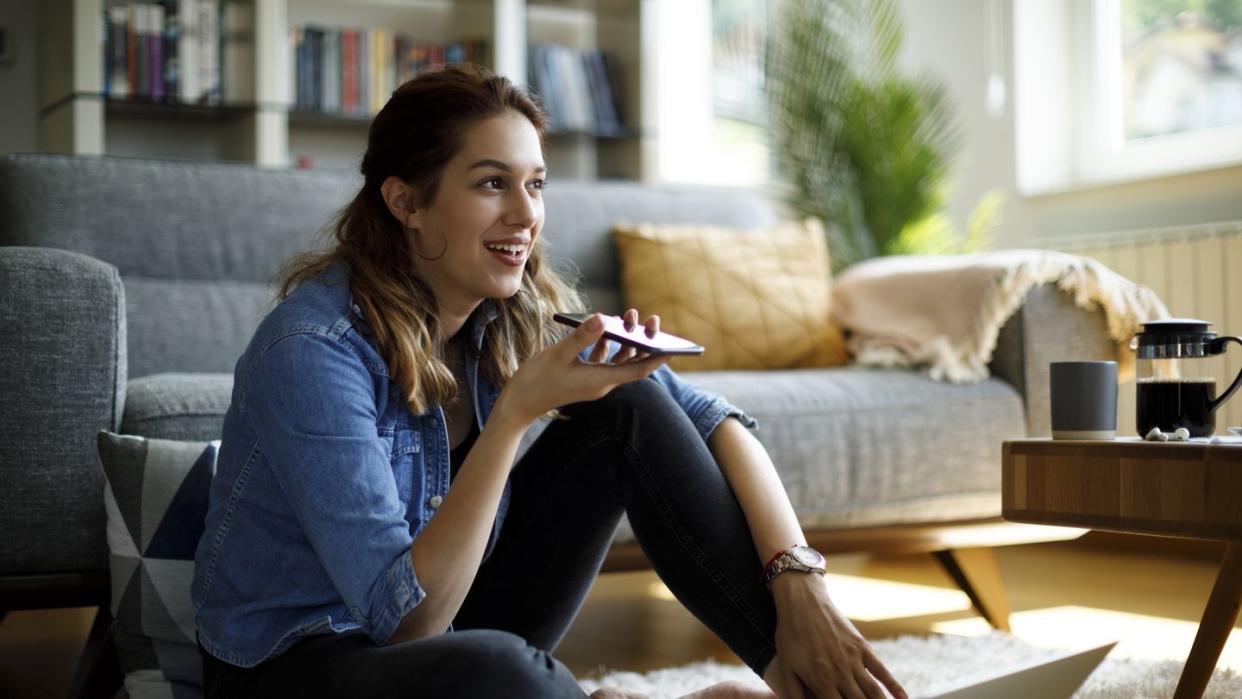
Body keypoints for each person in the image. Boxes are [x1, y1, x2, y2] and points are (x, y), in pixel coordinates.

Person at [190, 64, 907, 699]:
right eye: (492, 183)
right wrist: (515, 416)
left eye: (534, 184)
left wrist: (798, 580)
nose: (526, 213)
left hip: (445, 627)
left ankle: (804, 681)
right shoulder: (312, 350)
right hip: (305, 666)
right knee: (505, 671)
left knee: (627, 400)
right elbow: (408, 624)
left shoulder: (511, 315)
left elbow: (712, 421)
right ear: (405, 202)